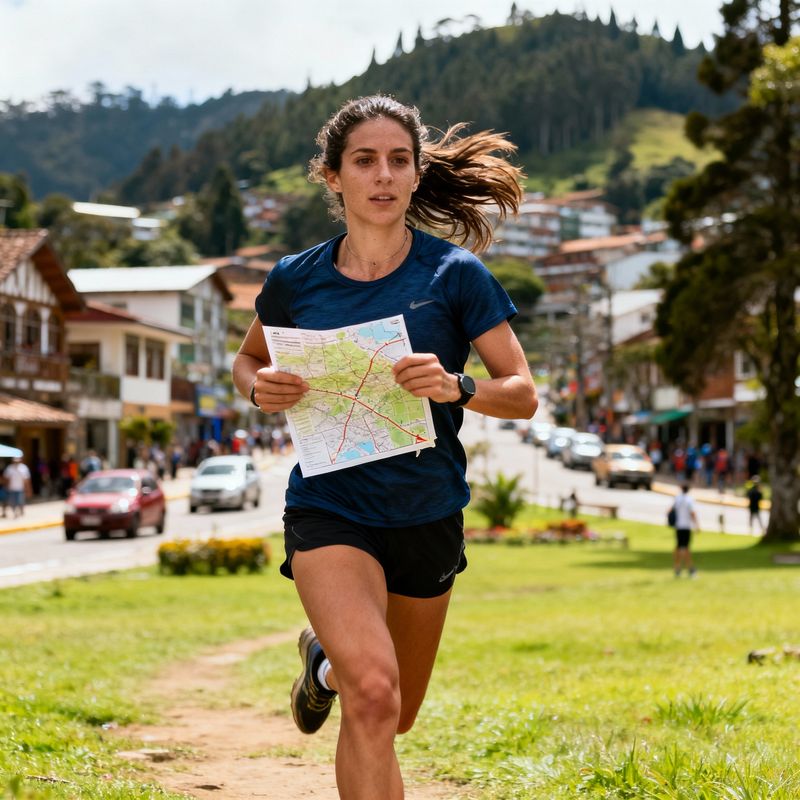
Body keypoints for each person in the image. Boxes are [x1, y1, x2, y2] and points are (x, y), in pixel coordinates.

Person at [232, 94, 537, 799]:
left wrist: (456, 385)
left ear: (416, 172)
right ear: (332, 176)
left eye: (399, 160)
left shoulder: (454, 276)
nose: (383, 175)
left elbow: (521, 393)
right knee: (374, 695)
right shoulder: (294, 279)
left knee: (395, 714)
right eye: (364, 160)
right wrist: (260, 387)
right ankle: (346, 671)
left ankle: (324, 667)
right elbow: (248, 361)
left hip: (426, 514)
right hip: (330, 507)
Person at [670, 483, 700, 577]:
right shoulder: (689, 499)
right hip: (686, 526)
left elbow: (670, 511)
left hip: (678, 526)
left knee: (678, 547)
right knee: (686, 548)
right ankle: (690, 568)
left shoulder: (677, 499)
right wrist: (697, 525)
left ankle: (677, 567)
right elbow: (693, 513)